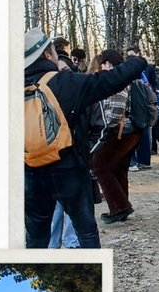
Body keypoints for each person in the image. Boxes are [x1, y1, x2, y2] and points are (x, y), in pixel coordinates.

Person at [24, 28, 147, 247]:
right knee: (86, 230)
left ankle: (38, 275)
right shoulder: (65, 83)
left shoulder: (13, 88)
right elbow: (111, 81)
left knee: (36, 236)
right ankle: (93, 277)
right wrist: (136, 62)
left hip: (31, 172)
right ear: (47, 55)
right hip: (69, 168)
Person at [87, 49, 142, 224]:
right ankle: (121, 207)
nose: (101, 66)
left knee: (99, 167)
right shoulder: (127, 78)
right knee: (118, 169)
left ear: (108, 63)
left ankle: (120, 207)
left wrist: (101, 127)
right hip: (130, 131)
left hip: (119, 132)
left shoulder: (118, 81)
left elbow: (115, 112)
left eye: (103, 63)